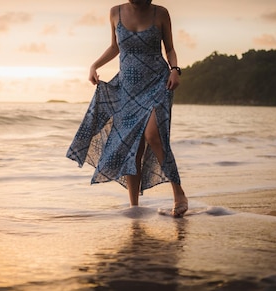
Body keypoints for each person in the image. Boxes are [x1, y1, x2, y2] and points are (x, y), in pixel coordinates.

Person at [67, 0, 188, 217]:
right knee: (134, 146)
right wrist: (94, 65)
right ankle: (134, 207)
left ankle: (178, 193)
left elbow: (169, 48)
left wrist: (175, 70)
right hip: (127, 89)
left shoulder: (160, 13)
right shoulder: (115, 12)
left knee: (154, 136)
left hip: (158, 83)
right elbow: (115, 47)